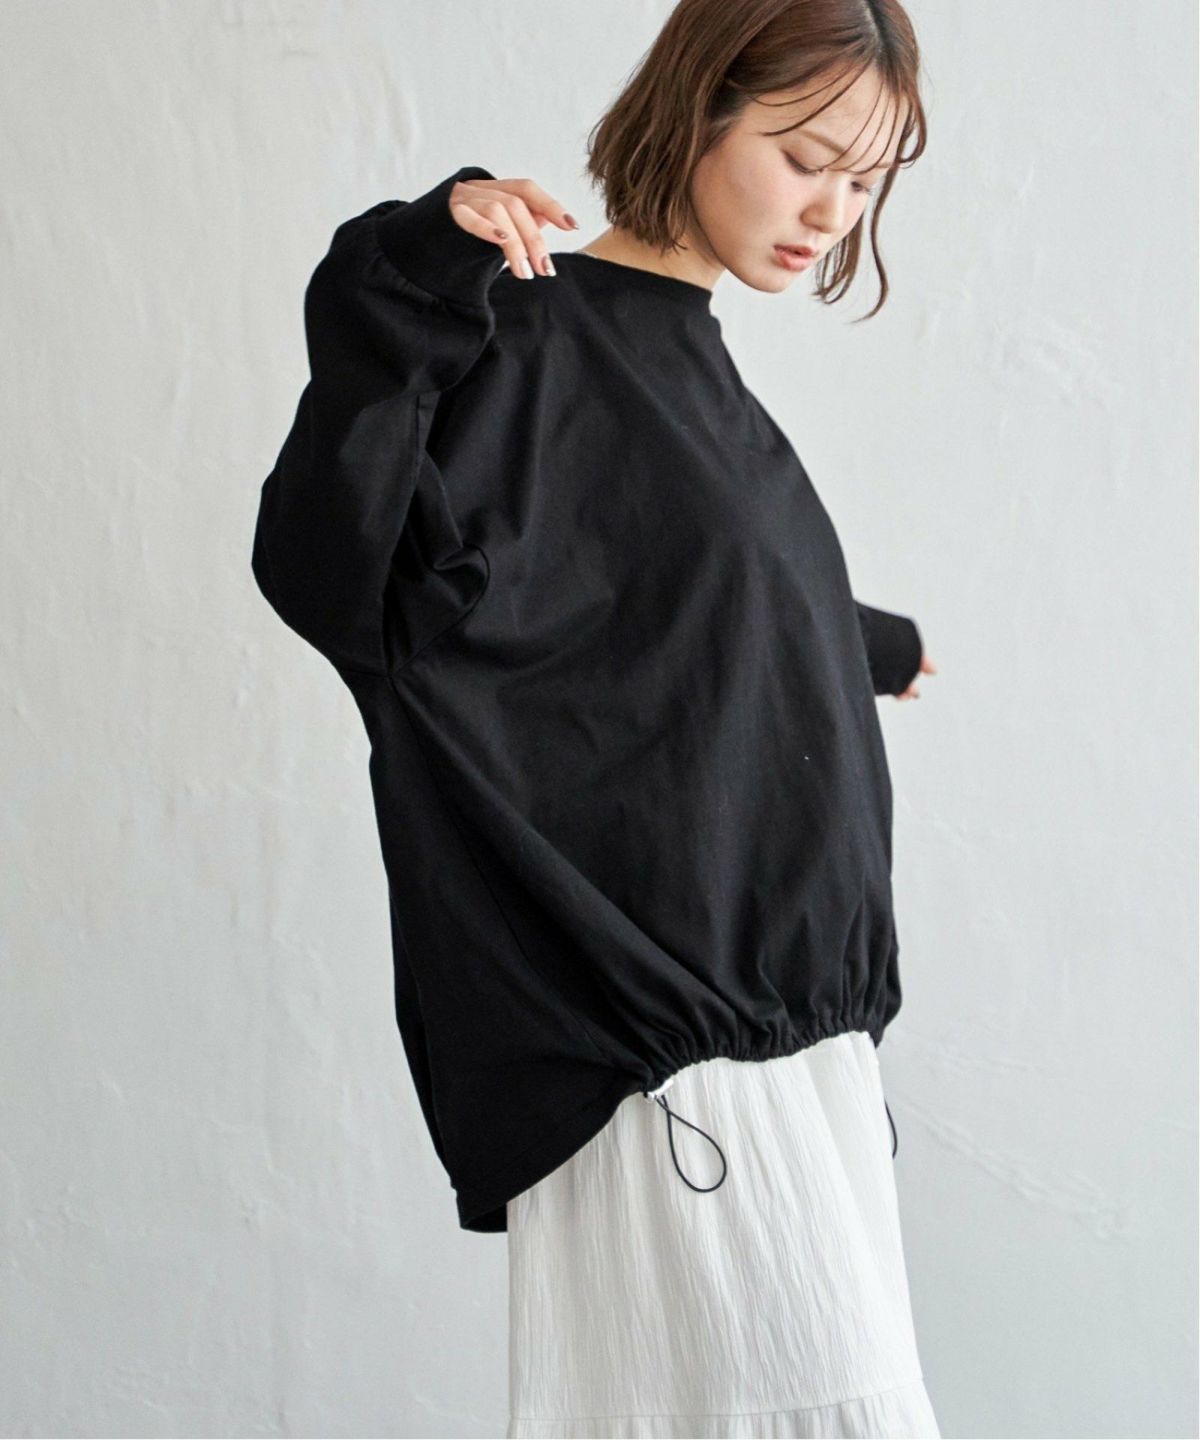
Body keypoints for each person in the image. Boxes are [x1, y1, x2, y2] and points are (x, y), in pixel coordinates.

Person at [251, 0, 942, 1434]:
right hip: (665, 1053)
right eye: (806, 158)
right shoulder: (512, 334)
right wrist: (414, 264)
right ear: (697, 110)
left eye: (865, 181)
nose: (833, 213)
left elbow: (664, 589)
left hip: (796, 1048)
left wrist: (861, 639)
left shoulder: (690, 365)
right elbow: (331, 564)